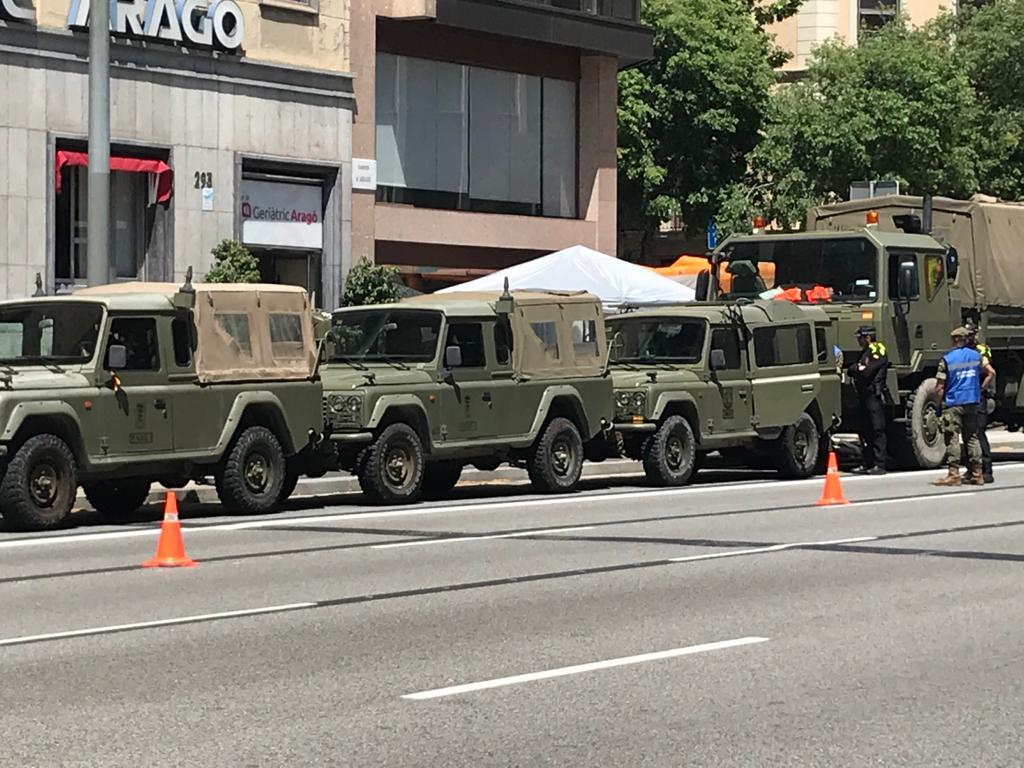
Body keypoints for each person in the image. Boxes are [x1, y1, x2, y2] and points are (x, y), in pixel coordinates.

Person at [933, 327, 991, 486]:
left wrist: (938, 405)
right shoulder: (976, 356)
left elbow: (939, 387)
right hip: (972, 402)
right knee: (972, 437)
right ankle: (977, 473)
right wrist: (980, 389)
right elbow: (990, 373)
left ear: (954, 340)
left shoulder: (948, 359)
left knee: (952, 437)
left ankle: (954, 474)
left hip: (953, 402)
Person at [848, 325, 889, 475]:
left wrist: (858, 369)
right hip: (863, 395)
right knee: (865, 430)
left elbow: (866, 372)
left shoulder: (877, 349)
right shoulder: (864, 352)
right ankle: (867, 462)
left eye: (860, 338)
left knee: (877, 429)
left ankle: (879, 464)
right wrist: (855, 368)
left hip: (874, 395)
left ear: (867, 337)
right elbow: (852, 369)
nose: (858, 341)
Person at [966, 322, 997, 483]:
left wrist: (981, 389)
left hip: (978, 396)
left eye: (971, 334)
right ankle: (971, 468)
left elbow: (989, 372)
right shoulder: (964, 351)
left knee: (979, 432)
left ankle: (987, 469)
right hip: (967, 396)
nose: (969, 337)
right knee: (968, 434)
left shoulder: (981, 350)